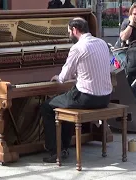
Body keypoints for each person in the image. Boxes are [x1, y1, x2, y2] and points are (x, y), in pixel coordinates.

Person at [40, 17, 113, 163]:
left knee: (47, 107)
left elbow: (65, 75)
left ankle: (55, 151)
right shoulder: (102, 43)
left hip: (87, 97)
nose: (69, 36)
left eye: (69, 32)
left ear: (75, 30)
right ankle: (65, 147)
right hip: (105, 97)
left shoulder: (78, 47)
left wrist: (57, 78)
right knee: (65, 103)